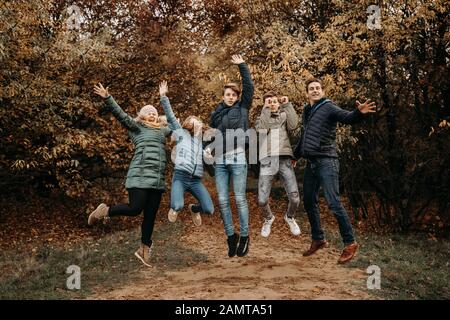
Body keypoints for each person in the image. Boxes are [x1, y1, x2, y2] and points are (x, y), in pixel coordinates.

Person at [293, 78, 376, 264]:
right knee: (308, 200)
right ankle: (318, 239)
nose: (315, 90)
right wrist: (295, 156)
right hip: (312, 162)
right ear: (307, 93)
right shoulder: (307, 110)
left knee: (333, 202)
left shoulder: (329, 107)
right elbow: (305, 137)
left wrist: (359, 113)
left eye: (317, 88)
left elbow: (347, 118)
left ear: (322, 91)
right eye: (311, 89)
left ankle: (350, 243)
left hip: (327, 160)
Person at [88, 83, 172, 267]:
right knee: (135, 209)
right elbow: (121, 115)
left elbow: (174, 124)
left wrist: (163, 98)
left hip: (157, 180)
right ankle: (105, 211)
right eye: (148, 112)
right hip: (140, 176)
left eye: (154, 112)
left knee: (150, 216)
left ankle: (144, 249)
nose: (152, 113)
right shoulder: (136, 128)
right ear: (141, 116)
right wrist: (107, 97)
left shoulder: (162, 131)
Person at [209, 54, 254, 257]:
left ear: (237, 97)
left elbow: (249, 87)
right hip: (220, 160)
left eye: (233, 95)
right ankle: (230, 236)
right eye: (227, 94)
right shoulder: (217, 114)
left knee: (240, 199)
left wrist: (242, 66)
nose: (230, 97)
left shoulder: (243, 107)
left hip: (237, 158)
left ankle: (244, 236)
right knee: (223, 201)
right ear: (223, 96)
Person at [158, 81, 214, 226]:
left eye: (198, 122)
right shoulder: (181, 133)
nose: (197, 124)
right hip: (180, 177)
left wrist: (209, 159)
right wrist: (163, 96)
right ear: (188, 124)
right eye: (193, 122)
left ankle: (194, 209)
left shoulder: (203, 142)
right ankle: (175, 207)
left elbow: (211, 169)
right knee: (177, 205)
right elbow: (170, 117)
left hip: (196, 180)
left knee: (209, 209)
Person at [255, 92, 301, 238]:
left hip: (284, 158)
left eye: (275, 101)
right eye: (269, 102)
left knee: (295, 198)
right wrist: (266, 110)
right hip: (267, 159)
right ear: (265, 104)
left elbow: (294, 125)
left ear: (279, 103)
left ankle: (290, 217)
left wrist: (287, 104)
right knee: (262, 199)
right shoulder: (261, 117)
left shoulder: (284, 116)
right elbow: (262, 129)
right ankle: (268, 218)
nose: (272, 103)